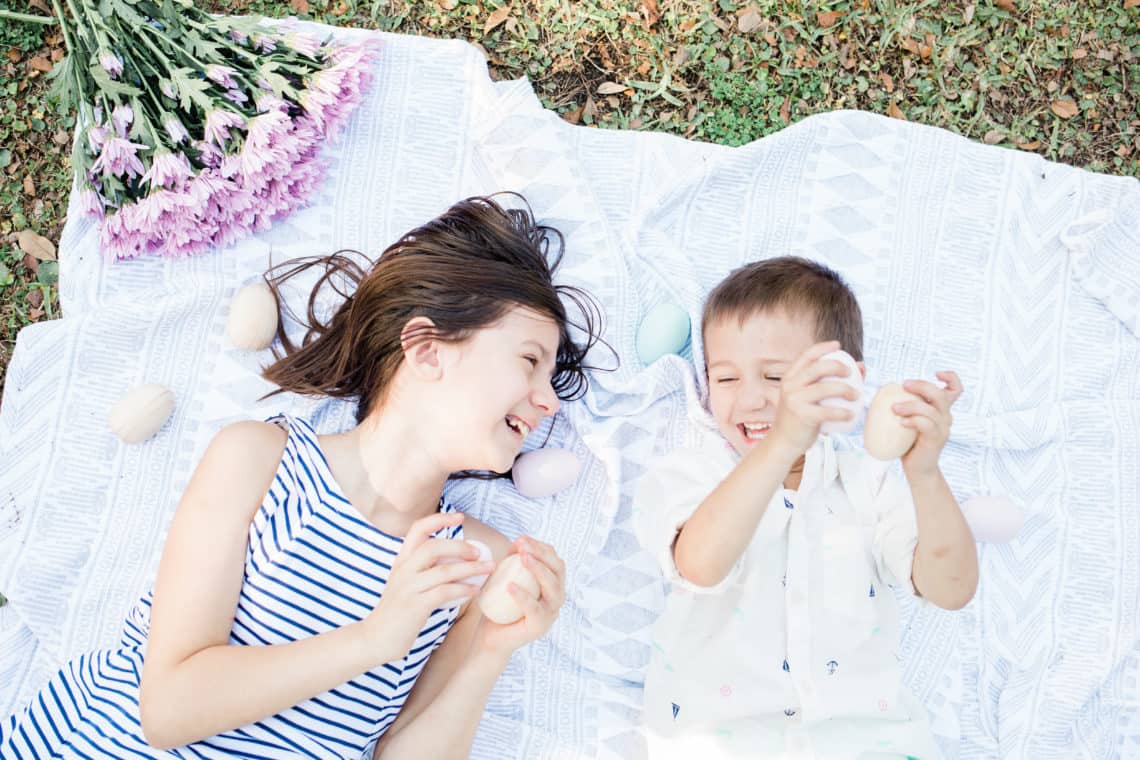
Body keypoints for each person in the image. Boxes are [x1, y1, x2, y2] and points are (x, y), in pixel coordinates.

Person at [0, 194, 602, 759]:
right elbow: (168, 708)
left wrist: (491, 650)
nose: (547, 401)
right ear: (426, 350)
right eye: (529, 361)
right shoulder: (260, 461)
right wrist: (374, 639)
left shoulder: (476, 564)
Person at [634, 256, 978, 759]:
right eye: (725, 379)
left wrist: (924, 473)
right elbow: (700, 566)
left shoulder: (868, 485)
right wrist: (782, 444)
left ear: (849, 382)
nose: (750, 399)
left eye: (776, 378)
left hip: (868, 740)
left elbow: (951, 591)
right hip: (722, 741)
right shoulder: (693, 475)